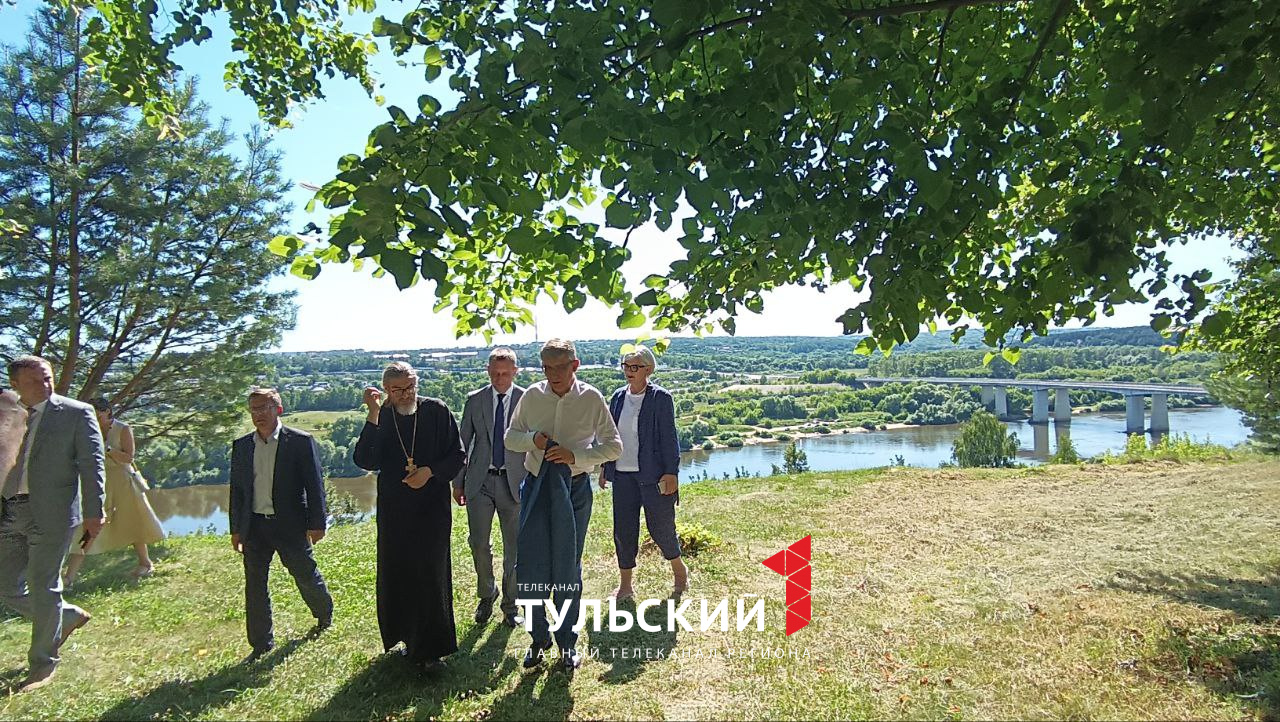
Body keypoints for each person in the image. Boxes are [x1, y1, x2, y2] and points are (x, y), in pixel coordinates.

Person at [506, 338, 621, 670]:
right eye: (547, 367)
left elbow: (614, 446)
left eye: (560, 366)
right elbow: (510, 438)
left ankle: (567, 643)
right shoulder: (532, 396)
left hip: (574, 489)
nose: (553, 374)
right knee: (531, 562)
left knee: (568, 565)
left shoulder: (591, 398)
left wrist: (577, 456)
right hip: (536, 488)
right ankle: (538, 638)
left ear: (575, 365)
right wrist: (533, 441)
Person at [0, 356, 104, 692]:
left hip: (53, 513)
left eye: (48, 378)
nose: (44, 386)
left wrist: (94, 511)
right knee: (6, 588)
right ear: (16, 385)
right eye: (34, 382)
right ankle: (67, 616)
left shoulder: (76, 413)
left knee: (44, 585)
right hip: (9, 511)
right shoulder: (7, 413)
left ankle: (43, 665)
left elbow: (92, 464)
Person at [353, 362, 465, 673]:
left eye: (410, 387)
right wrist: (373, 414)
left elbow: (458, 456)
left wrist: (429, 472)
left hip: (431, 511)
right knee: (398, 572)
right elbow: (364, 459)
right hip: (395, 512)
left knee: (430, 575)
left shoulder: (436, 411)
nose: (405, 395)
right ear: (386, 390)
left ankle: (431, 650)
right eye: (397, 390)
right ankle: (404, 637)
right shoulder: (382, 415)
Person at [228, 388, 333, 663]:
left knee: (304, 573)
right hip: (255, 527)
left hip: (289, 525)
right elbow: (237, 491)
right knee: (255, 585)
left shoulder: (299, 442)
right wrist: (236, 529)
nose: (258, 414)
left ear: (278, 409)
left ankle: (324, 614)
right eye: (254, 409)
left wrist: (317, 523)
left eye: (264, 408)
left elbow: (314, 485)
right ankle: (261, 642)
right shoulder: (242, 446)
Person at [601, 346, 689, 600]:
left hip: (653, 476)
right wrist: (606, 468)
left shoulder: (660, 398)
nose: (629, 371)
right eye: (626, 366)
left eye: (635, 367)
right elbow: (612, 436)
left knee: (661, 528)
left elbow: (669, 438)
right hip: (623, 476)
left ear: (648, 370)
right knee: (624, 531)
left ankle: (678, 571)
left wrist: (671, 472)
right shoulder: (618, 397)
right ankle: (626, 586)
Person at [453, 347, 525, 628]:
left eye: (506, 373)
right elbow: (462, 444)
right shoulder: (475, 400)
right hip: (480, 482)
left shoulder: (525, 399)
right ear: (488, 372)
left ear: (515, 372)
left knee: (514, 550)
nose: (500, 378)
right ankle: (487, 594)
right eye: (495, 373)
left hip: (514, 482)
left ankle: (511, 605)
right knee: (479, 544)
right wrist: (457, 482)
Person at [62, 398, 165, 587]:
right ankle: (69, 577)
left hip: (124, 481)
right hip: (98, 481)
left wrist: (107, 448)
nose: (94, 417)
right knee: (89, 526)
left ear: (108, 412)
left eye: (98, 413)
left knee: (133, 520)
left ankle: (145, 563)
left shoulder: (123, 428)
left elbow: (128, 458)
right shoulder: (86, 428)